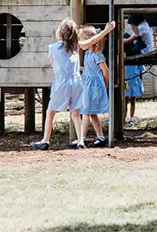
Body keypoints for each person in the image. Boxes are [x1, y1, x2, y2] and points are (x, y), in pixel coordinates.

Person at [30, 19, 116, 150]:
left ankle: (45, 140)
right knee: (76, 114)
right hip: (76, 82)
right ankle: (81, 141)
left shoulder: (53, 47)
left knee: (50, 112)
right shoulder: (76, 46)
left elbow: (53, 63)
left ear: (60, 32)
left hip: (62, 82)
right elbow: (92, 41)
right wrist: (106, 31)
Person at [79, 25, 112, 147]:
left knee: (85, 112)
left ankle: (81, 139)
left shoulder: (97, 55)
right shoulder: (88, 53)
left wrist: (105, 85)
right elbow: (89, 69)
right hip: (87, 85)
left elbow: (105, 71)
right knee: (92, 113)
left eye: (82, 39)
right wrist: (79, 68)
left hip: (93, 86)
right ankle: (100, 137)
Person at [124, 18, 153, 126]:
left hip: (134, 81)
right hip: (128, 81)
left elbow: (128, 41)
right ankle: (124, 118)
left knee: (132, 100)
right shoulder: (126, 63)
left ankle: (131, 118)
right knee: (125, 101)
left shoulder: (142, 28)